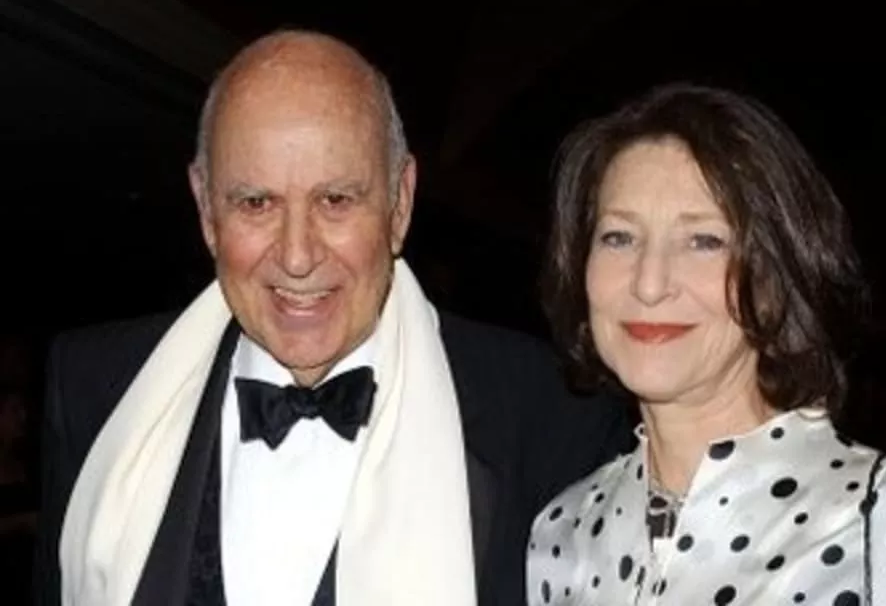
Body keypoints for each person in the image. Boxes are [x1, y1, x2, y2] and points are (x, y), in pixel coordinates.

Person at [35, 30, 635, 606]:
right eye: (255, 202)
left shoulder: (549, 417)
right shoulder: (95, 387)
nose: (297, 256)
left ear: (400, 203)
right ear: (206, 209)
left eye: (336, 200)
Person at [527, 83, 886, 605]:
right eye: (619, 237)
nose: (649, 284)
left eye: (704, 241)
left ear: (778, 273)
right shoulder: (562, 535)